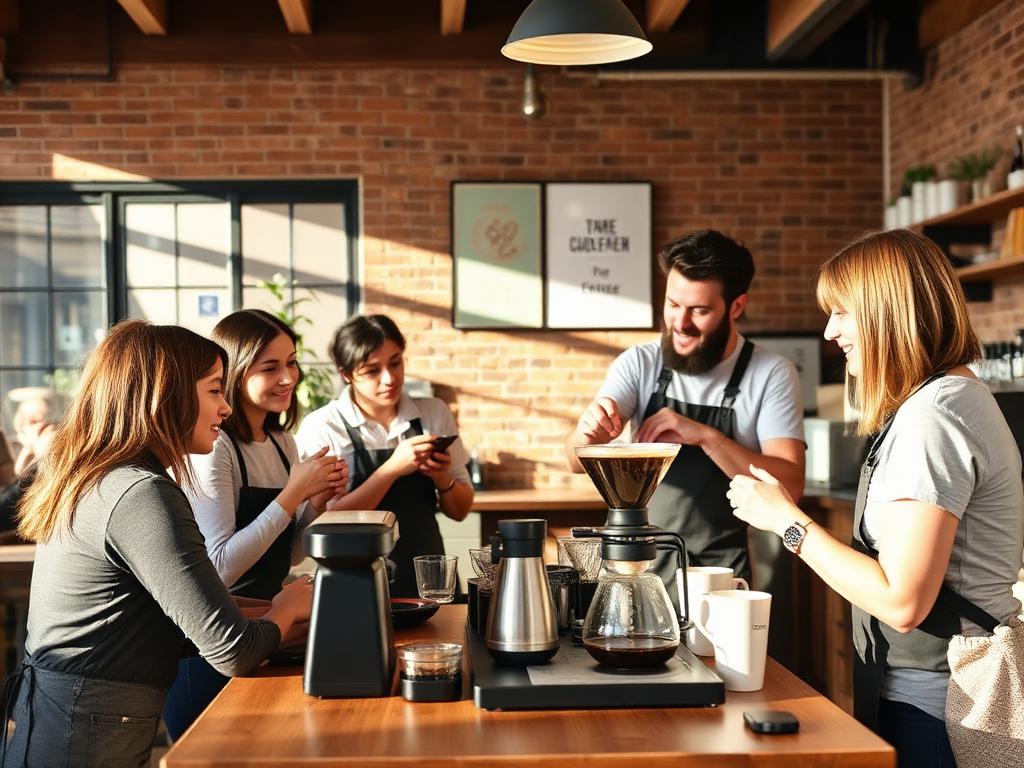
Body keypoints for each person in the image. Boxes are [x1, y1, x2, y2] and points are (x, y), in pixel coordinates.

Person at [727, 229, 1024, 767]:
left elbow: (902, 602)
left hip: (938, 710)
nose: (829, 330)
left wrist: (786, 522)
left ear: (889, 312)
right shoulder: (942, 401)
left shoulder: (937, 415)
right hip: (926, 696)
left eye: (842, 312)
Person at [1, 320, 312, 768]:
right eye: (214, 390)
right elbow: (234, 652)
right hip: (80, 739)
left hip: (68, 726)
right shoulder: (140, 492)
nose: (226, 408)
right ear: (164, 395)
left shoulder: (102, 478)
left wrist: (272, 609)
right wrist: (286, 611)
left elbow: (163, 611)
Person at [565, 229, 805, 590]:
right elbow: (572, 460)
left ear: (736, 307)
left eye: (700, 310)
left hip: (722, 574)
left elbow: (791, 484)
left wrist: (707, 437)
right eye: (673, 305)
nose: (680, 323)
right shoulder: (640, 364)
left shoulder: (770, 373)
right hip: (637, 566)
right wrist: (588, 435)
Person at [162, 309, 347, 740]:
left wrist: (315, 502)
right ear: (236, 372)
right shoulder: (213, 447)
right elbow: (219, 566)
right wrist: (291, 495)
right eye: (271, 367)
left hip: (268, 633)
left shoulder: (283, 441)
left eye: (292, 362)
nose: (289, 377)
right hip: (214, 647)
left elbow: (291, 552)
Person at [296, 314, 473, 598]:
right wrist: (391, 469)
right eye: (371, 370)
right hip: (351, 583)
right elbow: (320, 525)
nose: (389, 378)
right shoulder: (323, 427)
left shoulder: (433, 413)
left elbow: (461, 510)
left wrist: (442, 478)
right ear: (346, 374)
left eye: (395, 362)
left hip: (428, 580)